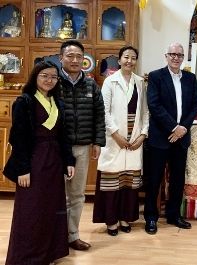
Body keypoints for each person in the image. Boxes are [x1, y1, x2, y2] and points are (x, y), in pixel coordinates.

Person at [4, 61, 76, 264]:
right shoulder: (24, 102)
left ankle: (49, 253)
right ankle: (28, 257)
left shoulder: (58, 103)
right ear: (35, 76)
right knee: (31, 210)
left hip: (54, 161)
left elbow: (64, 136)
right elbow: (18, 138)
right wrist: (23, 169)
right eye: (45, 75)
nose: (49, 80)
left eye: (53, 77)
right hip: (33, 161)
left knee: (51, 208)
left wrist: (69, 161)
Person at [92, 46, 149, 236]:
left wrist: (142, 135)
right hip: (114, 139)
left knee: (128, 183)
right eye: (126, 57)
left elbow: (146, 112)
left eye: (133, 58)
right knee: (112, 182)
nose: (129, 61)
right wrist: (115, 134)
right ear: (119, 59)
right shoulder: (110, 82)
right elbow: (104, 111)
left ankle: (126, 218)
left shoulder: (140, 82)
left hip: (134, 138)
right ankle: (111, 221)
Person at [144, 42, 197, 234]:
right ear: (166, 56)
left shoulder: (190, 78)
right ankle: (151, 217)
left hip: (181, 138)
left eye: (179, 55)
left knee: (177, 179)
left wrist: (183, 127)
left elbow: (194, 105)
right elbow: (154, 105)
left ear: (183, 57)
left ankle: (173, 215)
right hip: (161, 137)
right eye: (172, 54)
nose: (176, 58)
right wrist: (174, 127)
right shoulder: (156, 76)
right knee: (154, 179)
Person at [59, 40, 106, 250]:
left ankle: (72, 235)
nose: (75, 60)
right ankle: (54, 237)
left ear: (84, 59)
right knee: (55, 193)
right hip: (57, 148)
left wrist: (98, 141)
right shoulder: (52, 81)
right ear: (61, 58)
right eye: (70, 56)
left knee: (77, 194)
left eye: (79, 56)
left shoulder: (91, 85)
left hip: (82, 147)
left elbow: (99, 115)